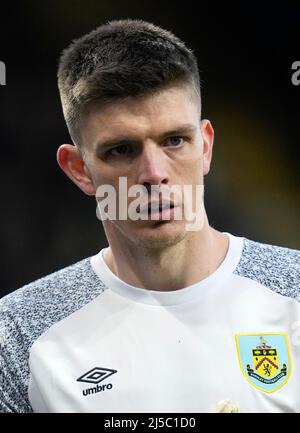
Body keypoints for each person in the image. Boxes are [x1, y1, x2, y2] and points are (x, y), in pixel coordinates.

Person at [0, 19, 299, 414]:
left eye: (175, 140)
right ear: (79, 169)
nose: (153, 173)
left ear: (205, 146)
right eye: (122, 149)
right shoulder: (18, 336)